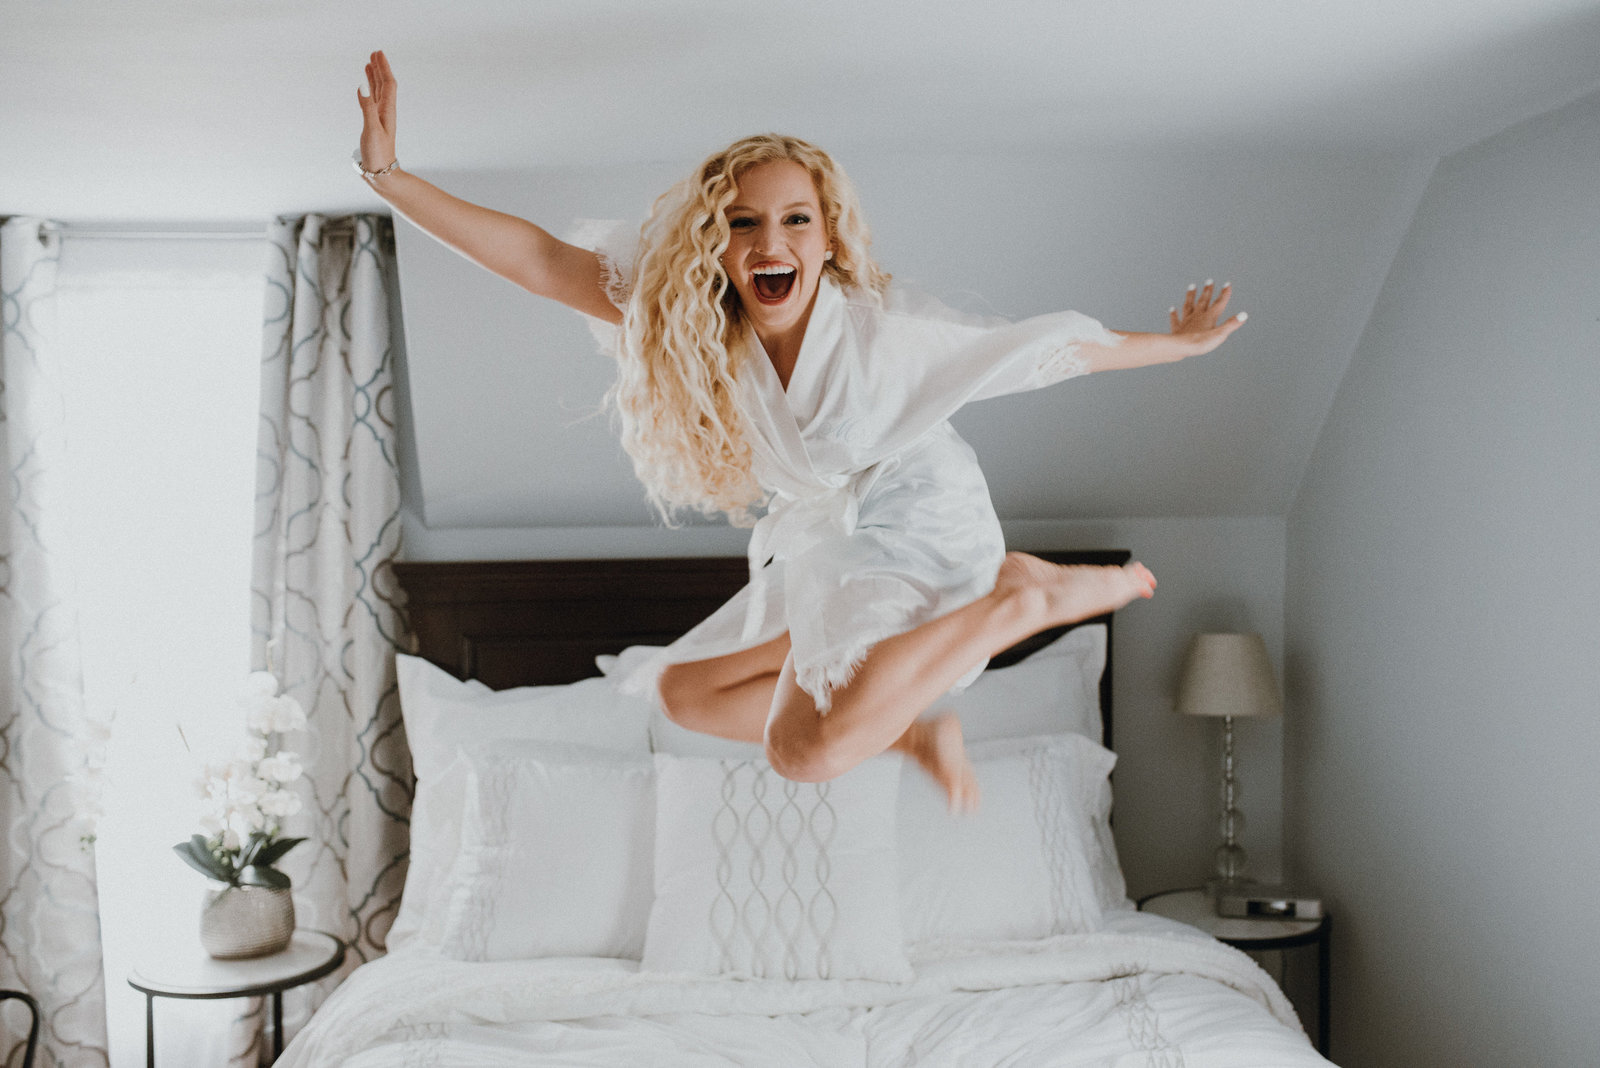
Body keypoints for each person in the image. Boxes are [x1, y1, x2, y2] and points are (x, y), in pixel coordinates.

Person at [355, 51, 1246, 811]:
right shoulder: (695, 320)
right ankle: (914, 728)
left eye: (794, 220)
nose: (768, 241)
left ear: (826, 241)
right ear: (716, 243)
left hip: (922, 526)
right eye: (743, 223)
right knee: (685, 692)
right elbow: (540, 261)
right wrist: (389, 179)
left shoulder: (878, 335)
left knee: (811, 753)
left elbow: (1038, 354)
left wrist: (1174, 347)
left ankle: (1017, 599)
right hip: (834, 538)